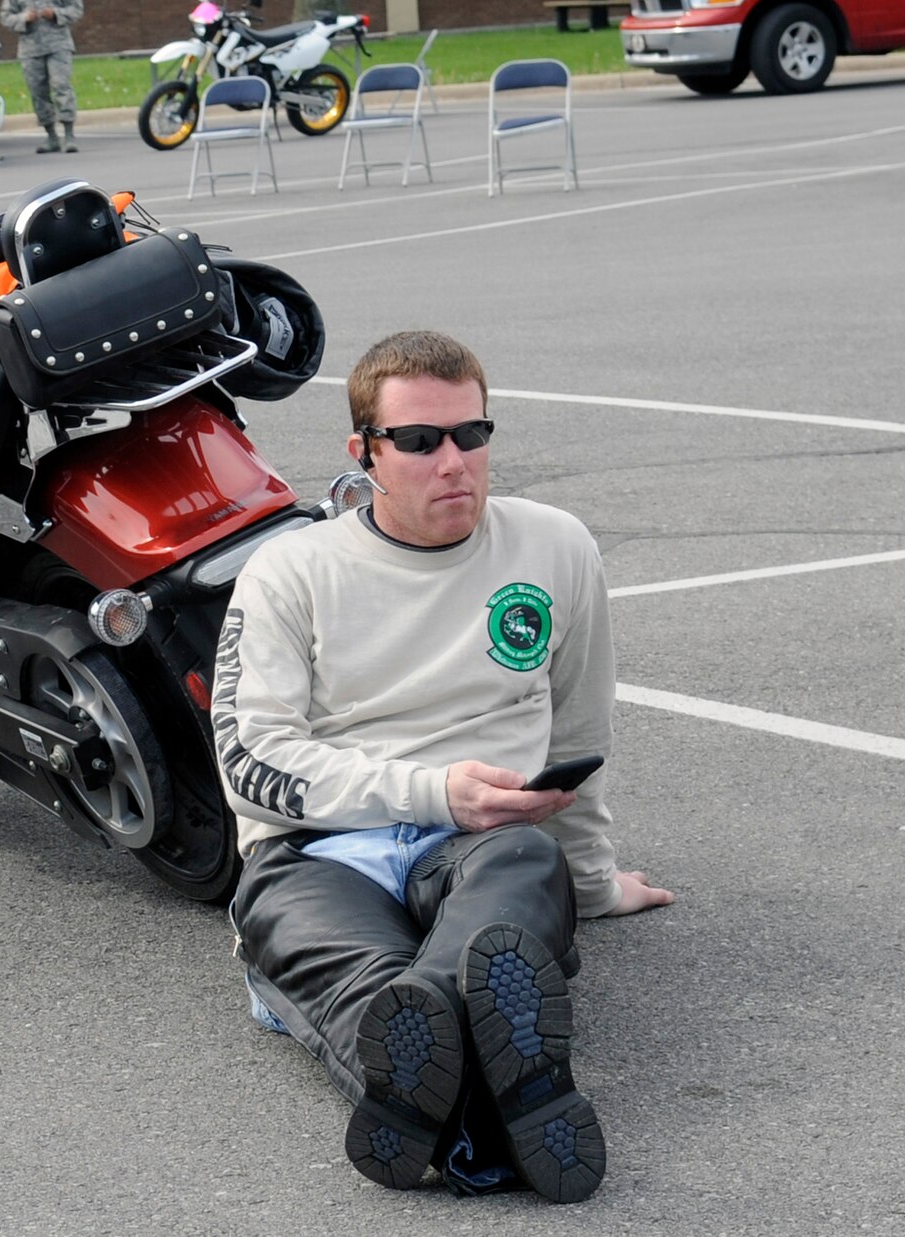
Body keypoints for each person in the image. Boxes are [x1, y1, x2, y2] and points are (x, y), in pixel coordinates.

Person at [213, 331, 673, 1204]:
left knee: (523, 865)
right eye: (420, 441)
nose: (453, 461)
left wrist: (593, 881)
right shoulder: (290, 570)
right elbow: (249, 761)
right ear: (365, 454)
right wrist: (433, 792)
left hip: (483, 844)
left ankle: (449, 1092)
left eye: (473, 434)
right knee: (355, 968)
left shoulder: (555, 545)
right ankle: (493, 1106)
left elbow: (581, 723)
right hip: (320, 849)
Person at [0, 0, 84, 154]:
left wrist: (56, 14)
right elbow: (5, 16)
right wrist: (23, 18)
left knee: (61, 86)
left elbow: (77, 8)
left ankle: (69, 134)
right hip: (30, 47)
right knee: (38, 92)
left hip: (58, 44)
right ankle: (51, 136)